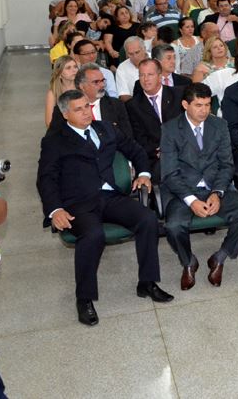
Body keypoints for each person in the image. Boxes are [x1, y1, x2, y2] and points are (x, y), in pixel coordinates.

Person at [37, 90, 173, 326]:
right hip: (78, 204)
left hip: (111, 196)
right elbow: (45, 178)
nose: (86, 113)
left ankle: (147, 283)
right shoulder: (55, 140)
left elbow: (136, 150)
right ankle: (85, 299)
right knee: (93, 234)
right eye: (78, 109)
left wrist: (143, 173)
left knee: (148, 219)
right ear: (65, 113)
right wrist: (55, 210)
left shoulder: (106, 129)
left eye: (87, 107)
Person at [158, 82, 238, 290]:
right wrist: (192, 201)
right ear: (185, 104)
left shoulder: (219, 125)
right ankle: (189, 262)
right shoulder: (170, 129)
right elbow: (170, 173)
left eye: (208, 105)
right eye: (198, 105)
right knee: (173, 226)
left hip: (216, 186)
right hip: (182, 191)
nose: (204, 110)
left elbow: (227, 165)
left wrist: (217, 193)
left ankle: (220, 258)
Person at [126, 58, 182, 181]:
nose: (145, 79)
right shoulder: (132, 105)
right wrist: (159, 151)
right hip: (155, 158)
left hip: (184, 150)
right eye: (142, 75)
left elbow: (187, 125)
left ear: (160, 75)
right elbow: (138, 137)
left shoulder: (179, 95)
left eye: (150, 74)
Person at [50, 62, 133, 138]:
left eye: (102, 81)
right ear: (82, 86)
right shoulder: (64, 108)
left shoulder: (116, 105)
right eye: (96, 82)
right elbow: (51, 140)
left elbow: (128, 137)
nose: (102, 85)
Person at [45, 56, 79, 127]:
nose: (74, 70)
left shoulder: (82, 88)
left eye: (75, 67)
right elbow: (49, 122)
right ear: (59, 72)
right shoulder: (53, 93)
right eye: (68, 68)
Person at [116, 36, 149, 101]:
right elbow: (124, 95)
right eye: (130, 54)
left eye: (137, 52)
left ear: (144, 49)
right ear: (126, 54)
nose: (135, 57)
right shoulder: (122, 68)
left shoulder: (156, 60)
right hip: (136, 105)